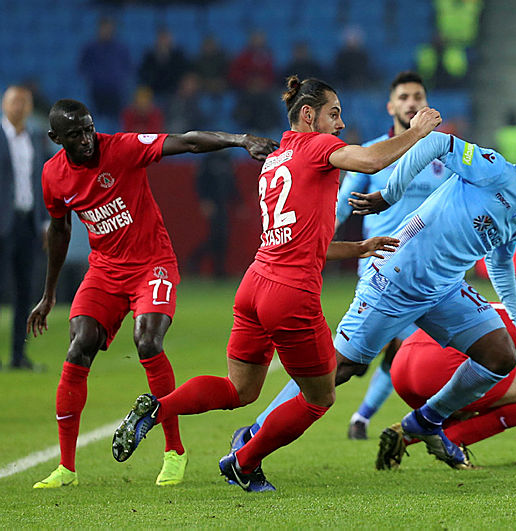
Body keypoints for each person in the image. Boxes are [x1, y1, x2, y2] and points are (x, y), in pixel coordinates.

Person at [110, 76, 442, 492]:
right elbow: (372, 161)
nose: (340, 124)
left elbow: (300, 241)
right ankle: (244, 462)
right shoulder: (317, 146)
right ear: (309, 115)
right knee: (320, 397)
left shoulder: (276, 159)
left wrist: (359, 247)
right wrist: (416, 132)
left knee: (239, 389)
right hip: (290, 294)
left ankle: (159, 408)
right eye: (334, 114)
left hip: (254, 284)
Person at [239, 132, 516, 470]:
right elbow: (437, 143)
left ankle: (426, 420)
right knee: (338, 369)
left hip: (444, 289)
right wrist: (391, 193)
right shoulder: (494, 169)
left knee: (499, 355)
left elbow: (500, 262)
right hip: (397, 277)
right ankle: (251, 437)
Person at [26, 98, 278, 489]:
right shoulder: (52, 175)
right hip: (104, 270)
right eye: (76, 135)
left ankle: (174, 451)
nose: (87, 139)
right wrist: (49, 294)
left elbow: (187, 141)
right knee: (79, 345)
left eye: (89, 129)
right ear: (55, 138)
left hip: (152, 264)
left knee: (147, 341)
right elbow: (59, 231)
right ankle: (66, 468)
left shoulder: (122, 148)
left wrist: (240, 139)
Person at [242, 71, 451, 441]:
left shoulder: (440, 155)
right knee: (345, 364)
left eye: (418, 96)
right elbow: (337, 206)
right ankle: (255, 433)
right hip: (385, 272)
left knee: (452, 350)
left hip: (431, 274)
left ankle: (401, 424)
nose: (411, 103)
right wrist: (320, 244)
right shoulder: (361, 151)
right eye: (404, 97)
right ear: (391, 106)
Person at [376, 303, 516, 469]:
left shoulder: (509, 313)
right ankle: (451, 443)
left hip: (402, 366)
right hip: (440, 365)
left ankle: (403, 435)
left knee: (469, 407)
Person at [0, 86, 51, 370]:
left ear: (30, 107)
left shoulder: (34, 137)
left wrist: (44, 222)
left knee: (25, 290)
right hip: (2, 222)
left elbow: (40, 182)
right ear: (4, 105)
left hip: (27, 223)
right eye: (14, 101)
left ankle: (18, 356)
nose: (19, 106)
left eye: (24, 102)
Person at [78, 18, 132, 120]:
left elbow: (128, 66)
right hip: (97, 89)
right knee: (96, 118)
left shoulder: (120, 48)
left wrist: (120, 78)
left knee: (115, 119)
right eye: (104, 28)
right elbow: (83, 66)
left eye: (108, 29)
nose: (106, 31)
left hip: (115, 90)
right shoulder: (91, 48)